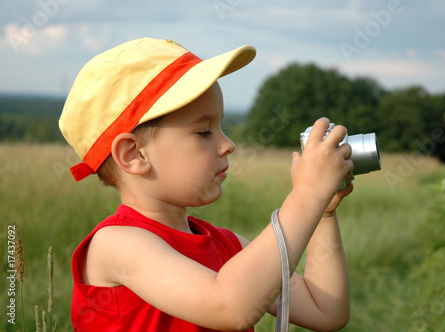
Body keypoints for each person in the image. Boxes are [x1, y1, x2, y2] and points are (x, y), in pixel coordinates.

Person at [59, 37, 354, 332]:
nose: (228, 144)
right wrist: (306, 195)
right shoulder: (116, 244)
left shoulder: (228, 246)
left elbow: (325, 310)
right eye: (203, 132)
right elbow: (229, 307)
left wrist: (323, 212)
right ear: (134, 154)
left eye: (220, 127)